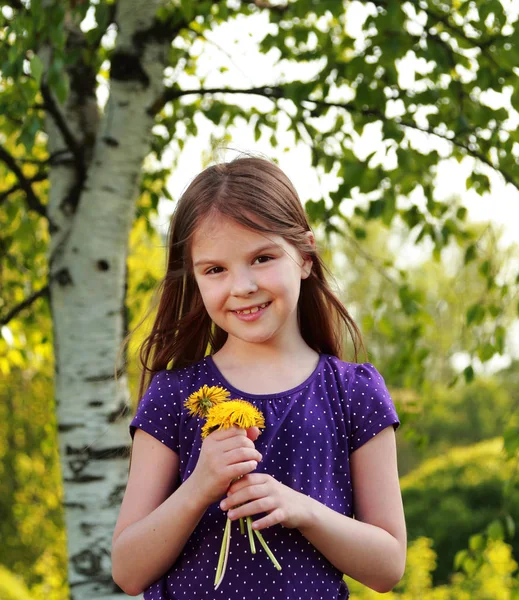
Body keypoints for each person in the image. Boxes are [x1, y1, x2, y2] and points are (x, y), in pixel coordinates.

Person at [111, 156, 407, 599]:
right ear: (194, 277)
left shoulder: (354, 393)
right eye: (215, 269)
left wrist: (302, 509)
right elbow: (128, 571)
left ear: (305, 256)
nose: (243, 286)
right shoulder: (174, 395)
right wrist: (199, 486)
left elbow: (388, 566)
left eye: (262, 258)